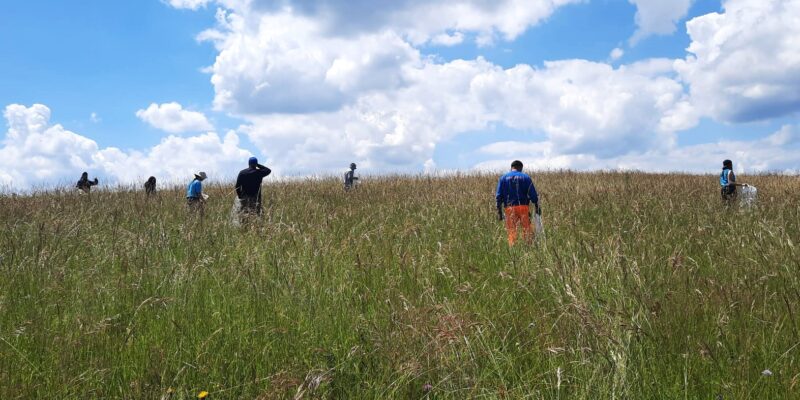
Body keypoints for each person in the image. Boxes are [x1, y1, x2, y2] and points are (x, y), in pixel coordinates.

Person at [496, 160, 540, 246]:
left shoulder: (503, 178)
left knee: (512, 231)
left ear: (511, 167)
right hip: (523, 207)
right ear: (521, 168)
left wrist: (499, 211)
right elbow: (533, 194)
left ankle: (513, 249)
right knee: (527, 230)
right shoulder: (526, 177)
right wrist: (537, 205)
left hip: (509, 208)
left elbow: (498, 196)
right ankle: (528, 247)